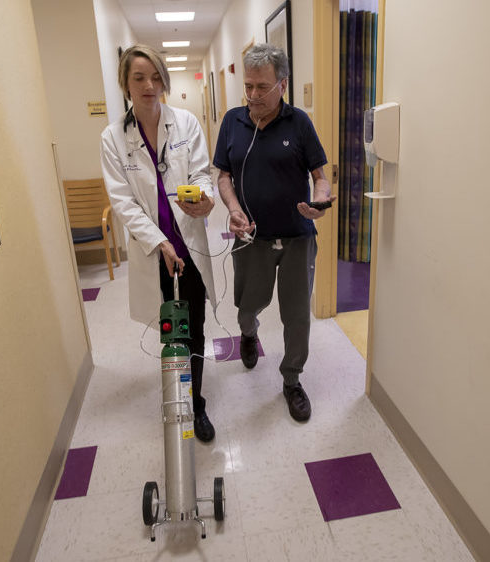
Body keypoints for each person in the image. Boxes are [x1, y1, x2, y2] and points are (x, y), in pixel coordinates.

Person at [100, 44, 218, 441]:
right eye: (139, 78)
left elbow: (202, 172)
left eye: (155, 77)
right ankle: (177, 398)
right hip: (156, 255)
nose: (149, 85)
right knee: (173, 331)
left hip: (190, 249)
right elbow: (123, 201)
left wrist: (205, 199)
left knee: (196, 328)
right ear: (125, 83)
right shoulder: (113, 138)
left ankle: (196, 403)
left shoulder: (185, 123)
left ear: (164, 80)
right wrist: (159, 241)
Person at [213, 43, 335, 422]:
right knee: (248, 306)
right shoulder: (233, 121)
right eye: (247, 86)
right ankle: (248, 335)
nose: (252, 96)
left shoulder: (299, 123)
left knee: (297, 316)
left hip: (298, 238)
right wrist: (233, 209)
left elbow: (321, 176)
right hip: (251, 237)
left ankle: (292, 380)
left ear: (282, 84)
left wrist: (319, 201)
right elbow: (223, 176)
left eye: (261, 87)